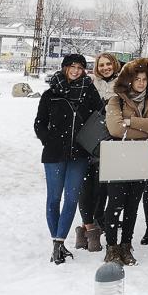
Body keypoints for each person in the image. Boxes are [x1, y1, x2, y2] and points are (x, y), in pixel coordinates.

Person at [35, 53, 104, 265]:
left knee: (72, 199)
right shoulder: (51, 94)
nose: (75, 71)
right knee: (54, 198)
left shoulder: (90, 93)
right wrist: (50, 141)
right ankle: (57, 242)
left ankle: (59, 242)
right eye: (72, 66)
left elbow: (98, 119)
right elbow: (39, 124)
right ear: (65, 68)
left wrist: (89, 143)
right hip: (54, 154)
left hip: (80, 154)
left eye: (80, 67)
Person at [102, 57, 148, 266]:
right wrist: (145, 127)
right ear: (129, 80)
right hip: (120, 156)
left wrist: (131, 122)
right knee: (115, 204)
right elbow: (115, 129)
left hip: (141, 156)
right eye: (137, 79)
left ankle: (126, 245)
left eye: (144, 79)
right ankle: (112, 247)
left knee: (132, 205)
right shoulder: (116, 100)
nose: (141, 83)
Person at [75, 52, 122, 254]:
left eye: (108, 64)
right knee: (87, 188)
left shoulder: (122, 87)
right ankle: (87, 228)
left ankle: (97, 226)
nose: (105, 68)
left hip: (111, 144)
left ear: (114, 65)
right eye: (101, 65)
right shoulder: (89, 85)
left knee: (103, 189)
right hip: (89, 142)